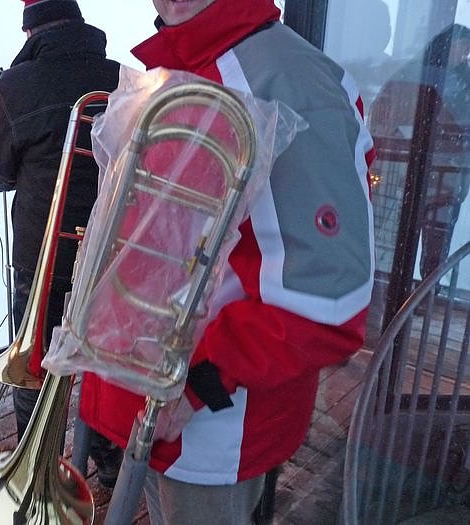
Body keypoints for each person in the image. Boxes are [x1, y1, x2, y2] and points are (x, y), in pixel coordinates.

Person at [77, 0, 375, 522]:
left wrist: (202, 383)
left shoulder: (289, 81)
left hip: (208, 422)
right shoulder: (176, 66)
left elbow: (330, 298)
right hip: (152, 394)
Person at [0, 0, 122, 487]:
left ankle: (37, 472)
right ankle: (110, 462)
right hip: (110, 251)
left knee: (34, 366)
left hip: (44, 256)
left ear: (30, 30)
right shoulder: (123, 78)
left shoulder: (15, 86)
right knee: (104, 361)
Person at [369, 23, 470, 282]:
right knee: (391, 236)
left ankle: (428, 287)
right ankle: (387, 287)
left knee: (436, 239)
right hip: (403, 173)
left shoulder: (464, 83)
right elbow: (383, 114)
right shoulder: (414, 75)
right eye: (461, 48)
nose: (464, 56)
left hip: (448, 176)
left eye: (467, 51)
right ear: (446, 46)